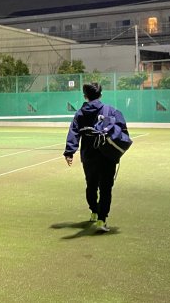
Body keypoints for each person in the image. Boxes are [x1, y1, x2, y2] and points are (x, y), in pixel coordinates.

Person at [63, 83, 129, 233]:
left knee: (91, 185)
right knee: (106, 188)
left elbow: (74, 132)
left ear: (85, 96)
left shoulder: (80, 114)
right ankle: (101, 219)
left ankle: (94, 211)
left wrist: (69, 152)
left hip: (88, 156)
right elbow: (122, 130)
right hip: (107, 155)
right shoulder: (110, 110)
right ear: (101, 94)